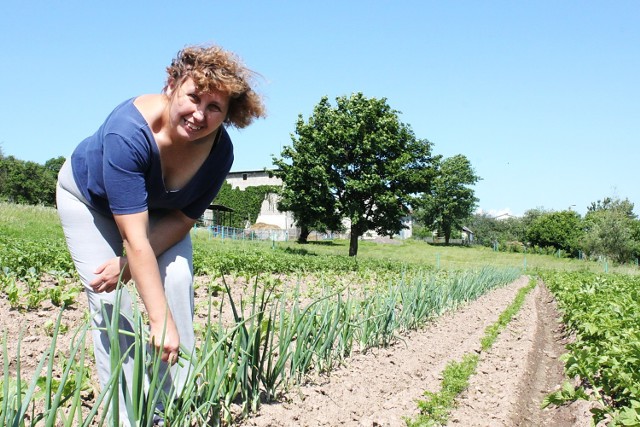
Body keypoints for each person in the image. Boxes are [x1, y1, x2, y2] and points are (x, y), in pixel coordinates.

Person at [56, 44, 265, 424]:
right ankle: (126, 416)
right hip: (88, 199)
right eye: (193, 96)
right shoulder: (129, 133)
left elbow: (184, 218)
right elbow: (135, 240)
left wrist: (132, 266)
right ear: (171, 84)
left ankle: (169, 407)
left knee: (178, 279)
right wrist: (156, 317)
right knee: (110, 302)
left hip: (161, 216)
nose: (199, 114)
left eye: (214, 107)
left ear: (228, 114)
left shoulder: (220, 153)